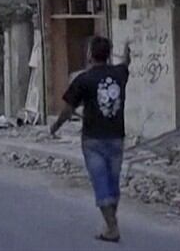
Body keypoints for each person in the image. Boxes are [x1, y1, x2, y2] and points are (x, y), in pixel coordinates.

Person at [50, 36, 131, 243]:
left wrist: (55, 126)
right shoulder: (119, 74)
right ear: (108, 54)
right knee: (113, 184)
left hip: (93, 140)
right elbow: (126, 64)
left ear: (89, 54)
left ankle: (112, 227)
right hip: (116, 138)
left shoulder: (83, 80)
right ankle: (110, 224)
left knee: (101, 183)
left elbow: (68, 110)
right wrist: (126, 49)